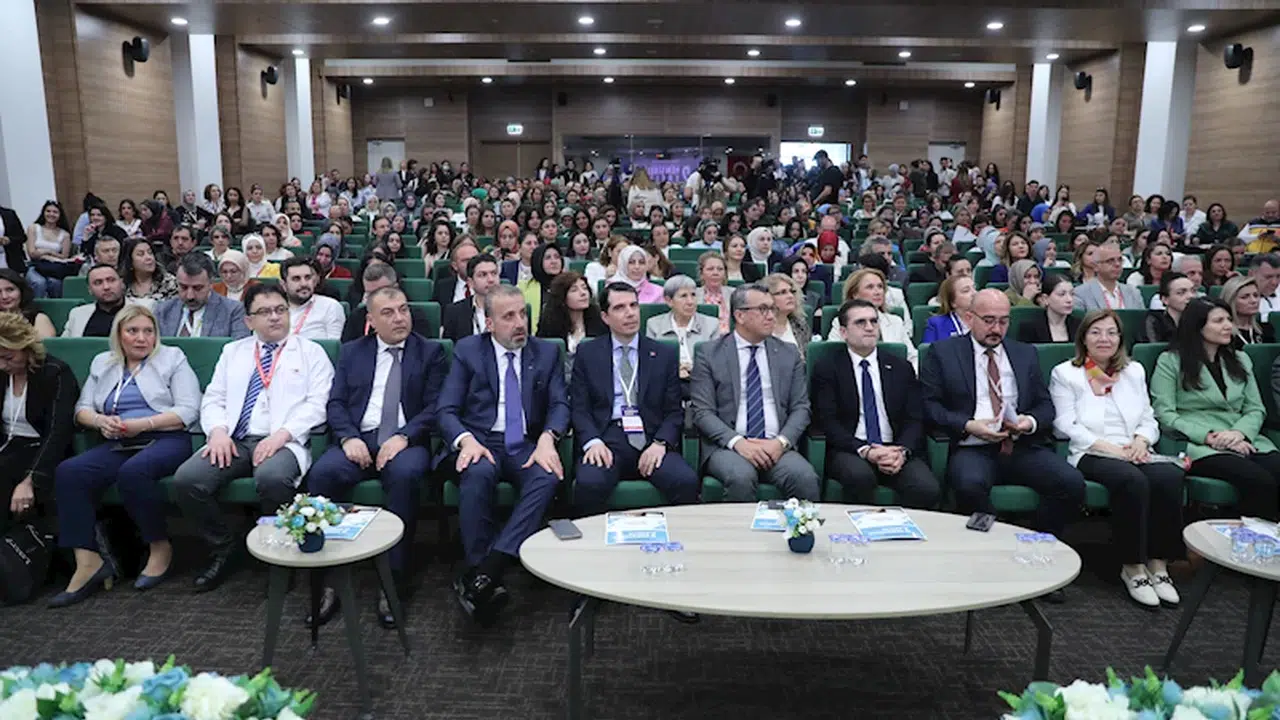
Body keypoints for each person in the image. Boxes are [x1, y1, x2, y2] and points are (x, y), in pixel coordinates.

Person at [921, 289, 1086, 601]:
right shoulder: (942, 353)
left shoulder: (1025, 353)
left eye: (1003, 321)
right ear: (969, 318)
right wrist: (968, 424)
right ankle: (989, 565)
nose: (996, 328)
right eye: (988, 320)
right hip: (972, 445)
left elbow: (1045, 406)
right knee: (969, 485)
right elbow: (930, 406)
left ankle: (1037, 557)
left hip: (1020, 444)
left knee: (1070, 483)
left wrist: (1028, 422)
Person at [171, 283, 335, 592]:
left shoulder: (311, 352)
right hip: (234, 438)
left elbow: (318, 404)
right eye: (265, 312)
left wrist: (281, 436)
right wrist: (217, 431)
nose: (275, 317)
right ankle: (225, 547)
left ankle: (281, 555)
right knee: (188, 480)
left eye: (280, 310)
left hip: (284, 440)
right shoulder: (233, 352)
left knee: (272, 478)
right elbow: (214, 397)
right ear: (249, 320)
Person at [307, 287, 446, 629]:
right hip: (360, 436)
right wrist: (348, 437)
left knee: (405, 476)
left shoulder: (430, 352)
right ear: (370, 320)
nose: (399, 318)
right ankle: (328, 578)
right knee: (322, 475)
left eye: (403, 309)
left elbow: (436, 407)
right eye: (388, 312)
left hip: (406, 439)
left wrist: (404, 436)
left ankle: (393, 579)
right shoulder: (353, 351)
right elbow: (336, 403)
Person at [49, 305, 201, 606]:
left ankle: (159, 545)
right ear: (119, 335)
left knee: (134, 472)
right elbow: (82, 409)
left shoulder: (172, 358)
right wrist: (99, 421)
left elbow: (188, 410)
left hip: (167, 437)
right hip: (119, 439)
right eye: (133, 331)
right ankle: (88, 560)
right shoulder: (103, 362)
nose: (142, 338)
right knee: (70, 472)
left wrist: (142, 424)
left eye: (148, 331)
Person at [437, 285, 568, 625]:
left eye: (523, 314)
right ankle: (483, 570)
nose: (520, 323)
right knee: (477, 473)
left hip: (526, 442)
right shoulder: (468, 350)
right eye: (508, 317)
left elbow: (559, 404)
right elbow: (446, 409)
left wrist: (548, 438)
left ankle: (487, 570)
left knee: (547, 476)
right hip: (481, 440)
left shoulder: (546, 352)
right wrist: (466, 440)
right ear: (489, 323)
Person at [1050, 310, 1183, 608]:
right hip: (1091, 451)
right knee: (1131, 480)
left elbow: (1148, 418)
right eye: (1096, 332)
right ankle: (1132, 567)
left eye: (1111, 332)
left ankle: (1158, 564)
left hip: (1134, 449)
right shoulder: (1066, 373)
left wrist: (1141, 441)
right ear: (1083, 338)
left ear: (1120, 338)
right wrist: (1112, 450)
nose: (1104, 339)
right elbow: (1065, 424)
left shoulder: (1134, 371)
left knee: (1169, 477)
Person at [571, 281, 699, 516]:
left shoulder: (663, 354)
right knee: (589, 483)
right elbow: (579, 408)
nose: (630, 313)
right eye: (620, 308)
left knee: (685, 481)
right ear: (605, 317)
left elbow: (674, 411)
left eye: (633, 305)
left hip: (651, 436)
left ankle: (675, 538)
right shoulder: (588, 353)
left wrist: (660, 443)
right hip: (607, 437)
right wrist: (593, 442)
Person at [690, 283, 821, 502]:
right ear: (740, 316)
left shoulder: (788, 353)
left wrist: (780, 442)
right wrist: (738, 442)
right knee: (741, 477)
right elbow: (702, 412)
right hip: (728, 446)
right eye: (763, 309)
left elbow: (801, 408)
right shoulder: (710, 353)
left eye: (772, 309)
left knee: (804, 477)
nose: (771, 316)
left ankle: (800, 527)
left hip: (776, 445)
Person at [1152, 298, 1280, 520]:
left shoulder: (1241, 359)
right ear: (1197, 326)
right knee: (1258, 480)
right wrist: (1210, 437)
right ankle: (1249, 537)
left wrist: (1239, 433)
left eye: (1229, 319)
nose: (1228, 326)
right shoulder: (1170, 361)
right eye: (1218, 321)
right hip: (1200, 444)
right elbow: (1165, 413)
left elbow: (1255, 408)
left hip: (1244, 438)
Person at [812, 298, 939, 508]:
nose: (870, 327)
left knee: (926, 488)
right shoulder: (828, 367)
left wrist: (901, 451)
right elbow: (828, 421)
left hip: (895, 447)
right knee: (860, 478)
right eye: (860, 322)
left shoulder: (901, 367)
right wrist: (866, 450)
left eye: (874, 321)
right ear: (843, 332)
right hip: (851, 448)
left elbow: (914, 418)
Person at [0, 314, 78, 537]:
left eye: (8, 357)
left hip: (41, 449)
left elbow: (58, 433)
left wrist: (30, 480)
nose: (2, 365)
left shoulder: (55, 372)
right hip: (7, 443)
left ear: (26, 347)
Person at [829, 268, 918, 369]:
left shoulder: (895, 322)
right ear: (855, 294)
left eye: (880, 287)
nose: (878, 292)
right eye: (870, 287)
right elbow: (832, 355)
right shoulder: (840, 322)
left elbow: (913, 357)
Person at [646, 275, 723, 387]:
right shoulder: (654, 325)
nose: (690, 302)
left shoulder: (712, 324)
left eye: (693, 295)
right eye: (683, 296)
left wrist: (693, 368)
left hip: (701, 382)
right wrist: (675, 369)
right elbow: (651, 363)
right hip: (666, 382)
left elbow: (716, 363)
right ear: (669, 301)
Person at [155, 255, 249, 339]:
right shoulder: (162, 311)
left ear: (211, 283)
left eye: (198, 288)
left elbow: (240, 349)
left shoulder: (233, 311)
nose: (190, 296)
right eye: (183, 287)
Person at [341, 263, 429, 342]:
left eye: (382, 292)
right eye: (370, 294)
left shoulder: (414, 317)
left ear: (396, 288)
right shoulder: (356, 317)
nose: (376, 298)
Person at [536, 271, 607, 370]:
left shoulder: (599, 319)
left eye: (585, 288)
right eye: (574, 290)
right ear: (562, 296)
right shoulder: (549, 323)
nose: (583, 293)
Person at [63, 265, 155, 338]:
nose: (106, 287)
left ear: (122, 283)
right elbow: (65, 347)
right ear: (90, 290)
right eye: (98, 283)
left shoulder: (145, 309)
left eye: (111, 280)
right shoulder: (77, 314)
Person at [280, 256, 345, 340]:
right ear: (284, 285)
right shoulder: (274, 310)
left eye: (307, 278)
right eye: (296, 279)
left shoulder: (330, 306)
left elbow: (334, 345)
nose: (304, 284)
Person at [443, 254, 501, 342]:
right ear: (470, 282)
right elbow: (451, 347)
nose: (491, 279)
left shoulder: (513, 307)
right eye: (483, 275)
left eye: (494, 273)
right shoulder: (454, 311)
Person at [25, 201, 75, 299]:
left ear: (60, 215)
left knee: (55, 283)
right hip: (35, 265)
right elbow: (32, 253)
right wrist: (50, 254)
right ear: (43, 212)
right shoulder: (33, 228)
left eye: (55, 212)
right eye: (48, 211)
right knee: (39, 283)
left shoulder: (65, 234)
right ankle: (37, 307)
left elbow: (64, 256)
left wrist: (45, 252)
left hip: (54, 268)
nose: (51, 214)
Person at [1075, 241, 1142, 311]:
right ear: (1096, 266)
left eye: (1120, 260)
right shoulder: (1081, 293)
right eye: (1110, 260)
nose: (1117, 264)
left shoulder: (1134, 293)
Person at [1018, 273, 1080, 344]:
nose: (1069, 299)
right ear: (1045, 299)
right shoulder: (1030, 328)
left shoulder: (1080, 326)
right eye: (1062, 294)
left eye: (1072, 294)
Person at [764, 273, 810, 359]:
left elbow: (807, 359)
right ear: (768, 297)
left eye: (792, 291)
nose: (790, 296)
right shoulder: (759, 328)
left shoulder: (800, 325)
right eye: (783, 292)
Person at [1221, 275, 1275, 349]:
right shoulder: (1224, 332)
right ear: (1231, 301)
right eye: (1245, 297)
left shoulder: (1266, 329)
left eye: (1256, 295)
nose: (1253, 301)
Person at [0, 269, 56, 339]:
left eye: (10, 290)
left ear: (21, 291)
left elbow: (42, 345)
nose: (4, 296)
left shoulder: (38, 318)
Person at [121, 238, 178, 303]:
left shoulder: (169, 282)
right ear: (130, 261)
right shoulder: (123, 286)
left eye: (150, 253)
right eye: (141, 254)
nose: (148, 257)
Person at [1145, 272, 1195, 343]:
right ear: (1165, 299)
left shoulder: (1200, 319)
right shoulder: (1154, 321)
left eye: (1193, 291)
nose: (1190, 296)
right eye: (1181, 292)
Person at [922, 275, 974, 344]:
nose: (974, 293)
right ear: (952, 302)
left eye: (974, 288)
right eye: (966, 291)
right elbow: (928, 349)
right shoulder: (936, 324)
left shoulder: (985, 320)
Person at [694, 251, 731, 336]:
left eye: (720, 269)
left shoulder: (735, 294)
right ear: (701, 274)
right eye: (710, 269)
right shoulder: (693, 295)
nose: (715, 273)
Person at [433, 240, 478, 306]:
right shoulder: (442, 287)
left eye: (475, 260)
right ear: (455, 266)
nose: (471, 263)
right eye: (465, 260)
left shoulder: (489, 286)